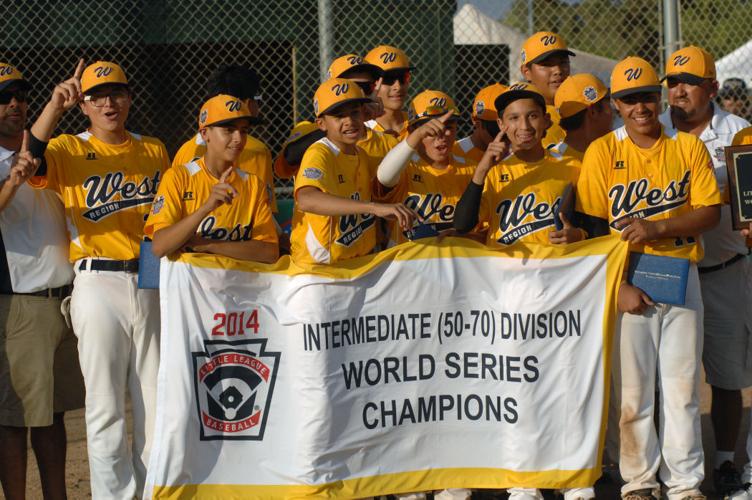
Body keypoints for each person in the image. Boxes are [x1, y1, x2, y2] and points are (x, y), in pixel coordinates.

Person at [576, 56, 721, 500]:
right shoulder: (604, 151)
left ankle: (685, 484)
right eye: (628, 99)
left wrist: (656, 227)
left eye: (645, 97)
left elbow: (710, 212)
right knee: (633, 392)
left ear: (658, 98)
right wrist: (616, 286)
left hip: (680, 271)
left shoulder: (687, 147)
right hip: (626, 277)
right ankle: (638, 481)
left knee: (681, 389)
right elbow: (591, 227)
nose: (640, 107)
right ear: (616, 104)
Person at [27, 60, 170, 499]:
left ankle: (152, 492)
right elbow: (29, 160)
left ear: (130, 99)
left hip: (149, 278)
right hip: (96, 279)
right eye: (97, 96)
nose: (109, 103)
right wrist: (54, 104)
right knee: (106, 404)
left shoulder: (154, 150)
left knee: (155, 399)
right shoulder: (69, 148)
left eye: (117, 93)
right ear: (84, 105)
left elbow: (161, 223)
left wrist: (155, 280)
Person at [454, 82, 587, 500]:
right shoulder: (492, 172)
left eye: (531, 115)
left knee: (568, 387)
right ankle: (523, 481)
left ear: (547, 121)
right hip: (509, 296)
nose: (523, 125)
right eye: (512, 118)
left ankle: (573, 478)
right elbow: (461, 226)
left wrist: (580, 232)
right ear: (501, 127)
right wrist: (481, 170)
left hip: (563, 293)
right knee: (518, 389)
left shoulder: (572, 167)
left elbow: (598, 227)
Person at [658, 45, 752, 498]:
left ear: (712, 87)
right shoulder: (648, 131)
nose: (678, 91)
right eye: (673, 82)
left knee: (728, 378)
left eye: (689, 83)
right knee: (665, 382)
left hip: (723, 268)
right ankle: (664, 469)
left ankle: (727, 461)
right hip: (665, 270)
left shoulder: (739, 133)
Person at [0, 62, 84, 500]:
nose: (13, 103)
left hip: (67, 297)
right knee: (14, 420)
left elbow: (36, 147)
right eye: (3, 97)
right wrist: (12, 183)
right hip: (21, 304)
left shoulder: (49, 153)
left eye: (19, 94)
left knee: (53, 420)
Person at [290, 78, 417, 266]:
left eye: (355, 113)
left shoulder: (361, 155)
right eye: (339, 116)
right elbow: (307, 199)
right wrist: (373, 208)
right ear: (321, 124)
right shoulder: (320, 152)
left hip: (357, 265)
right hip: (319, 271)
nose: (349, 121)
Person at [146, 95, 278, 262]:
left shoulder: (253, 184)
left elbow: (269, 252)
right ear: (205, 133)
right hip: (190, 285)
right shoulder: (178, 177)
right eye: (229, 130)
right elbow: (160, 247)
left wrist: (209, 245)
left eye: (244, 131)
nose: (238, 138)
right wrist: (206, 208)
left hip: (237, 284)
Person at [172, 64, 277, 213]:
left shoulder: (184, 150)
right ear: (246, 103)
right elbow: (264, 213)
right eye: (257, 99)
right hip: (235, 232)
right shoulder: (256, 150)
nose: (238, 138)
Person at [327, 53, 399, 164]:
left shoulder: (385, 142)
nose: (360, 94)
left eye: (367, 88)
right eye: (352, 87)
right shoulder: (310, 131)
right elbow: (291, 156)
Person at [520, 31, 575, 149]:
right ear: (527, 72)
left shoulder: (583, 108)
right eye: (547, 64)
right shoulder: (522, 122)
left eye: (563, 62)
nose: (558, 70)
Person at [552, 73, 613, 161]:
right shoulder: (616, 154)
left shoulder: (552, 158)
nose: (613, 109)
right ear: (593, 112)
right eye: (608, 102)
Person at [364, 45, 413, 140]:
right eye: (388, 79)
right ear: (372, 84)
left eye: (403, 78)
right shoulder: (359, 131)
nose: (398, 87)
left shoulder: (418, 124)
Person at [455, 83, 508, 163]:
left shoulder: (519, 150)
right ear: (476, 123)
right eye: (497, 130)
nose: (504, 138)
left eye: (509, 129)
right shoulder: (455, 153)